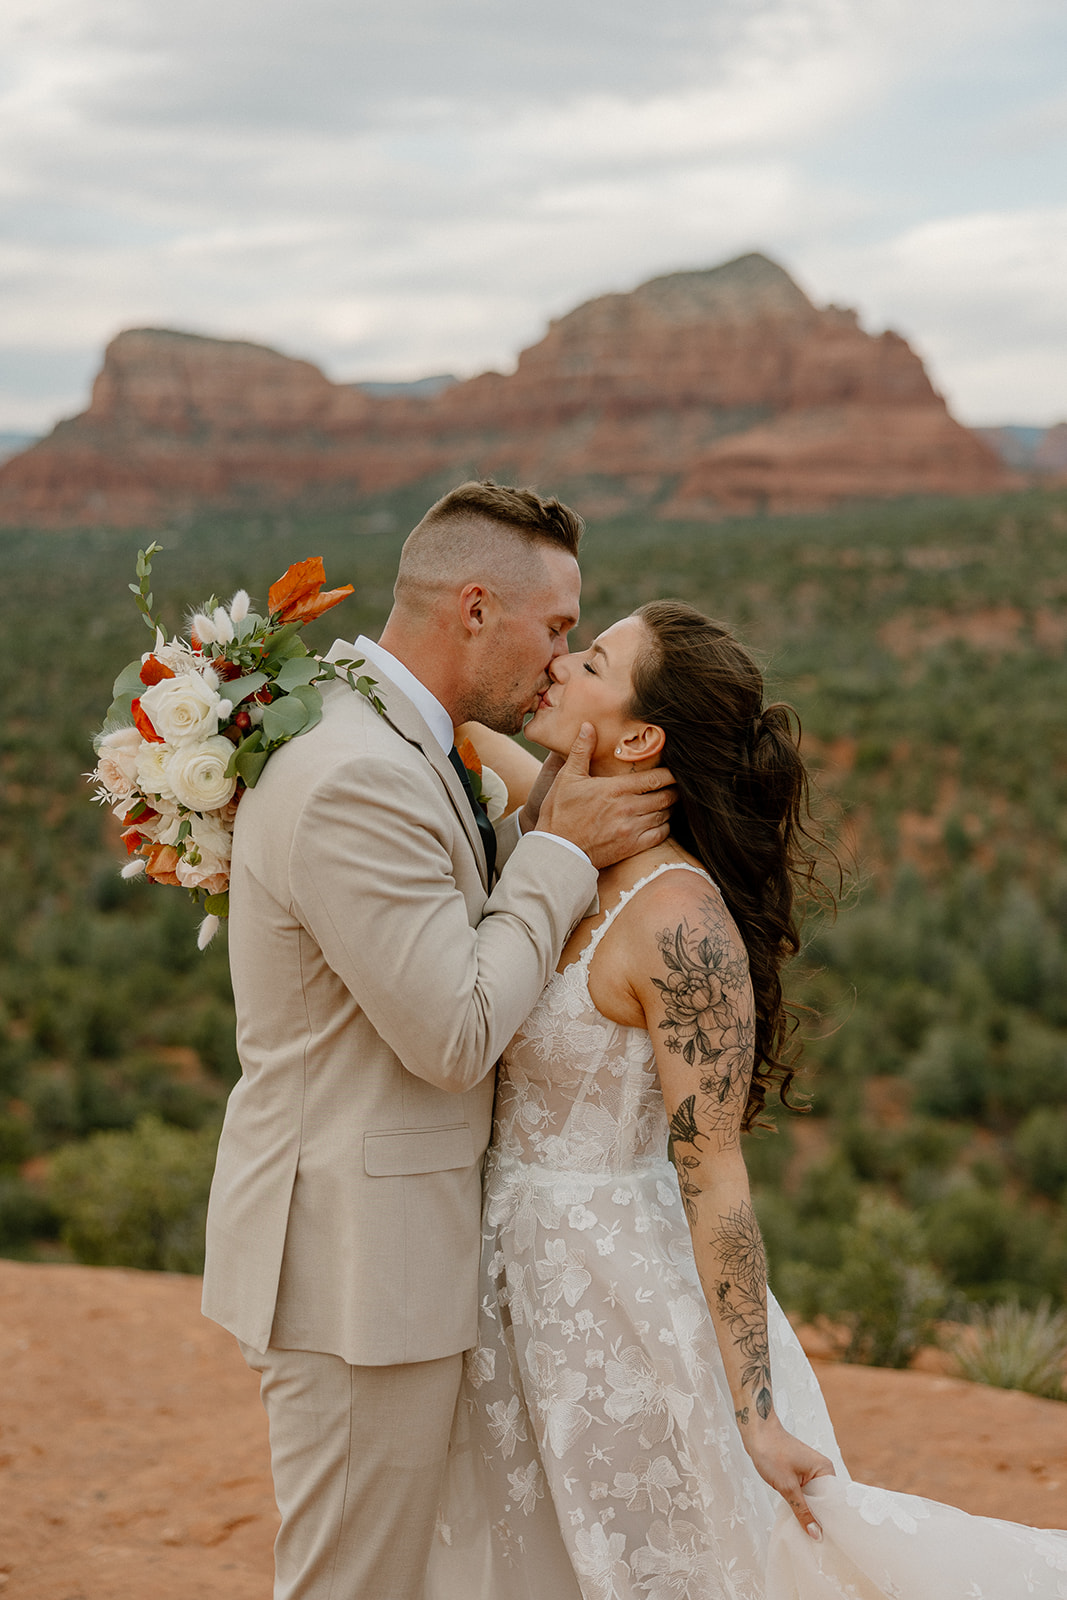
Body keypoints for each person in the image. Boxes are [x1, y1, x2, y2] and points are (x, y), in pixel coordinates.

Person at [426, 600, 1067, 1600]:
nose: (556, 668)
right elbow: (459, 725)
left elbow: (714, 1172)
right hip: (510, 1285)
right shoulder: (564, 823)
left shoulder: (677, 924)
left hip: (620, 1304)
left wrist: (756, 1409)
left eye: (588, 662)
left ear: (639, 735)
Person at [200, 481, 675, 1600]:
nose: (562, 661)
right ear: (473, 608)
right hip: (355, 1268)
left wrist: (526, 837)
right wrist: (555, 853)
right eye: (556, 627)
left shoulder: (389, 731)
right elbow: (453, 1032)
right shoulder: (352, 769)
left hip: (391, 1253)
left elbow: (432, 906)